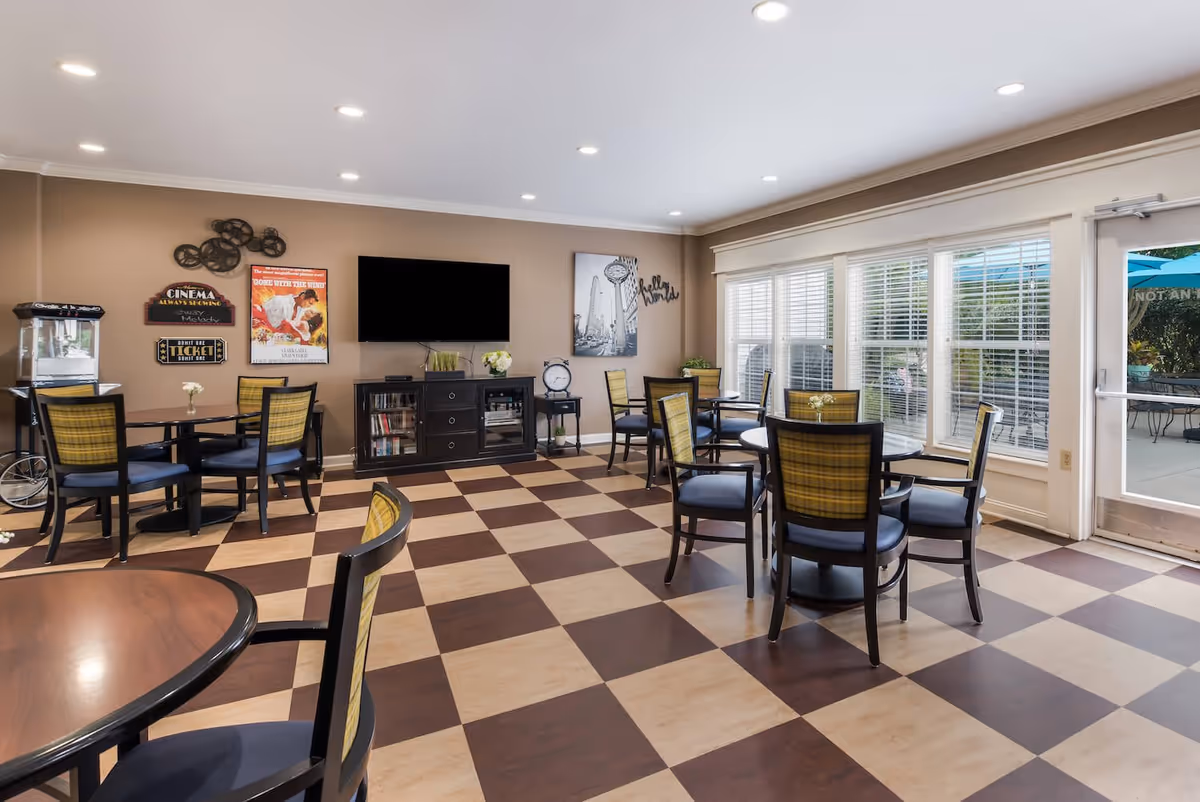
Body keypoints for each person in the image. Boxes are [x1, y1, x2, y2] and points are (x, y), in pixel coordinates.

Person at [252, 288, 319, 338]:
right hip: (263, 329)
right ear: (303, 296)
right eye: (309, 303)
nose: (309, 306)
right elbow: (261, 311)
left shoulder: (301, 310)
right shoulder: (280, 300)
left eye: (311, 305)